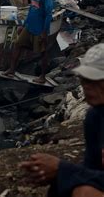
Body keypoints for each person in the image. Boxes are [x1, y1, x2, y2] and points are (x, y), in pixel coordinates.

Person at [19, 43, 104, 197]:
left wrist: (62, 169)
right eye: (84, 80)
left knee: (85, 192)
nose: (87, 87)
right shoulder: (95, 117)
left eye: (95, 80)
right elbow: (93, 170)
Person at [4, 0, 54, 84]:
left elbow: (48, 16)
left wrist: (44, 33)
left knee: (43, 52)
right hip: (29, 26)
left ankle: (42, 76)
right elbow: (31, 11)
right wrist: (23, 25)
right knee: (17, 44)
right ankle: (12, 69)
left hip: (40, 30)